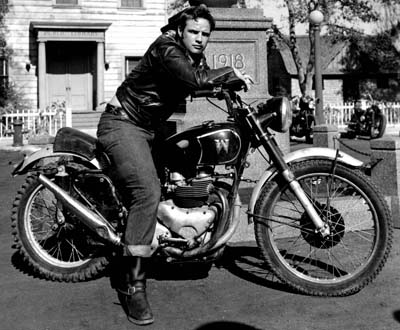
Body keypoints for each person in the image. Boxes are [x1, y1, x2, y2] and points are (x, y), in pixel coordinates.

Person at [97, 4, 252, 326]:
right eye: (194, 31)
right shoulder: (166, 48)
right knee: (147, 192)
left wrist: (230, 88)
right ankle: (133, 285)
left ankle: (166, 235)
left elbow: (201, 82)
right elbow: (194, 80)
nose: (199, 38)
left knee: (183, 170)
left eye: (205, 34)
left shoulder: (192, 56)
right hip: (123, 124)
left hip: (149, 127)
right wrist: (227, 75)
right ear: (181, 30)